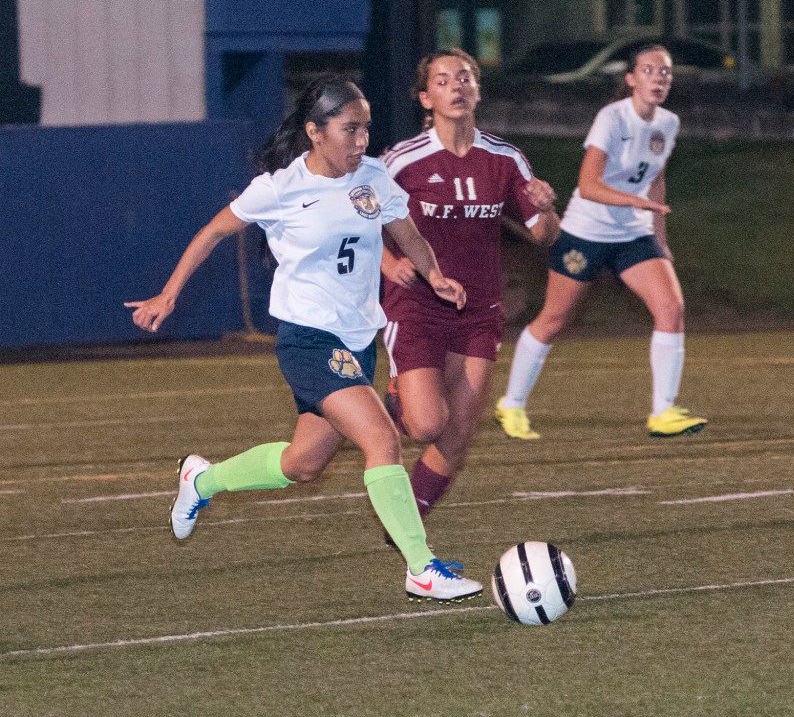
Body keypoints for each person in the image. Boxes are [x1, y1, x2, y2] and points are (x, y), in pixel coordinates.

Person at [124, 75, 483, 602]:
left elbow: (410, 237)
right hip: (309, 339)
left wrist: (435, 276)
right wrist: (168, 294)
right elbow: (214, 232)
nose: (361, 141)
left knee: (304, 463)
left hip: (357, 340)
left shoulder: (374, 178)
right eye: (349, 129)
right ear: (315, 132)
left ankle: (201, 481)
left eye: (366, 129)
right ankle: (421, 568)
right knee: (382, 439)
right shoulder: (279, 188)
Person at [379, 48, 560, 519]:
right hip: (416, 304)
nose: (456, 86)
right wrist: (385, 263)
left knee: (458, 434)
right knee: (425, 426)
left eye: (465, 78)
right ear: (425, 97)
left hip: (479, 310)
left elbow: (542, 235)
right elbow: (353, 218)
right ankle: (396, 398)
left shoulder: (504, 158)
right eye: (442, 80)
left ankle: (405, 524)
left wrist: (547, 206)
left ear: (477, 90)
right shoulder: (402, 161)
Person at [495, 44, 706, 440]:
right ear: (630, 78)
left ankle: (663, 412)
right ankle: (512, 404)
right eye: (649, 70)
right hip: (586, 233)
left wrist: (659, 237)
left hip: (634, 234)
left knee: (671, 307)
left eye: (666, 73)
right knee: (554, 319)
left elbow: (656, 176)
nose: (659, 79)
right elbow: (589, 186)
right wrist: (633, 200)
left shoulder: (669, 123)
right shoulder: (612, 118)